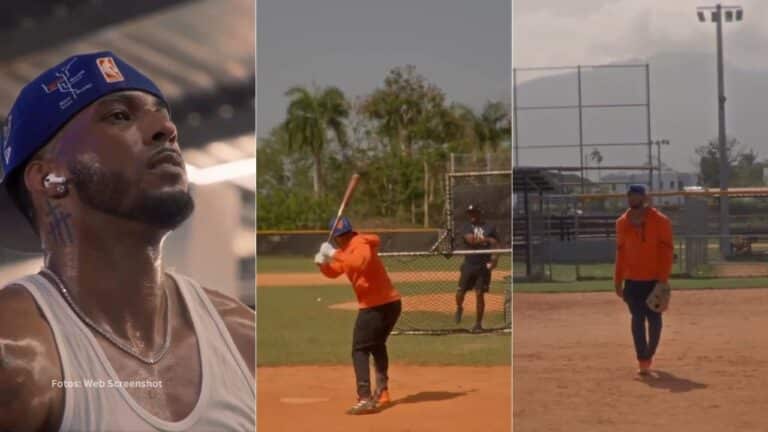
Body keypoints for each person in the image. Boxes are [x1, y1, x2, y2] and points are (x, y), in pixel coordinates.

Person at [0, 52, 255, 431]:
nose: (166, 129)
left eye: (162, 114)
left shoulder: (242, 338)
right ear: (48, 178)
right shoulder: (14, 351)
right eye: (119, 115)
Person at [315, 216, 401, 415]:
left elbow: (359, 263)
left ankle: (364, 398)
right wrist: (323, 264)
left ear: (349, 233)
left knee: (359, 349)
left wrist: (334, 253)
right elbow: (336, 271)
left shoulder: (360, 243)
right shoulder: (346, 250)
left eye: (344, 235)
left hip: (377, 306)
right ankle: (382, 392)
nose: (343, 239)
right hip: (387, 303)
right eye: (340, 237)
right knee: (377, 345)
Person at [614, 184, 674, 375]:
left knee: (654, 319)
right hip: (632, 280)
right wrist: (618, 280)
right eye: (630, 196)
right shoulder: (622, 223)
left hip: (654, 279)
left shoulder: (660, 221)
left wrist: (663, 279)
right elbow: (621, 253)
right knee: (637, 319)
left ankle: (649, 353)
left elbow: (667, 251)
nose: (633, 199)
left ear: (644, 198)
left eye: (637, 196)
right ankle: (643, 358)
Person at [455, 204, 499, 333]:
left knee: (479, 294)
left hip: (483, 266)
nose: (472, 215)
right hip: (469, 264)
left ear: (480, 213)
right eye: (470, 213)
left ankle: (478, 324)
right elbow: (471, 241)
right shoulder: (466, 227)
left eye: (474, 212)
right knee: (460, 293)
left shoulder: (490, 227)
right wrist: (488, 239)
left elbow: (497, 244)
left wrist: (495, 259)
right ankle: (459, 307)